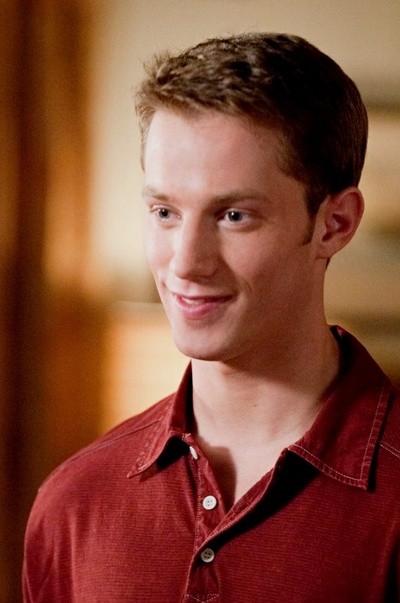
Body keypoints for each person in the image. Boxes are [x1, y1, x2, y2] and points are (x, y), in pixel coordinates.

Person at [23, 33, 400, 602]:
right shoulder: (73, 503)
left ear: (335, 224)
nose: (185, 263)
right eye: (165, 211)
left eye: (233, 215)